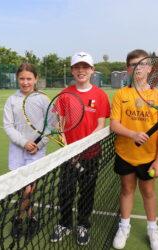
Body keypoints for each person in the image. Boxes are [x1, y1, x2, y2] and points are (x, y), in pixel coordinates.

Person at [50, 51, 111, 246]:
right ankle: (64, 224)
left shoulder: (100, 95)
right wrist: (68, 149)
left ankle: (83, 225)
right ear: (72, 71)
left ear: (92, 70)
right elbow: (59, 125)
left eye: (85, 67)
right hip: (68, 156)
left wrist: (83, 147)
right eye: (77, 67)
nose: (81, 70)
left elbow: (100, 125)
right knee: (65, 191)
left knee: (87, 192)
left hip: (91, 154)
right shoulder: (64, 94)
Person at [110, 49, 158, 250]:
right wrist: (133, 134)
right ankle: (124, 227)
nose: (138, 68)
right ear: (128, 69)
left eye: (142, 64)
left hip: (148, 157)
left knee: (148, 192)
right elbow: (114, 125)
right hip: (125, 153)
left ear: (150, 68)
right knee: (126, 190)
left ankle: (153, 229)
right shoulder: (121, 94)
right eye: (133, 65)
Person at [3, 63, 50, 239]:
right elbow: (8, 126)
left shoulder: (43, 99)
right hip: (16, 152)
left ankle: (19, 218)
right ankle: (31, 217)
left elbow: (51, 124)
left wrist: (39, 143)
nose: (25, 82)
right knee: (23, 188)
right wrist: (24, 142)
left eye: (29, 78)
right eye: (22, 78)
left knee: (29, 189)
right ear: (17, 79)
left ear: (35, 79)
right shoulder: (11, 100)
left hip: (36, 152)